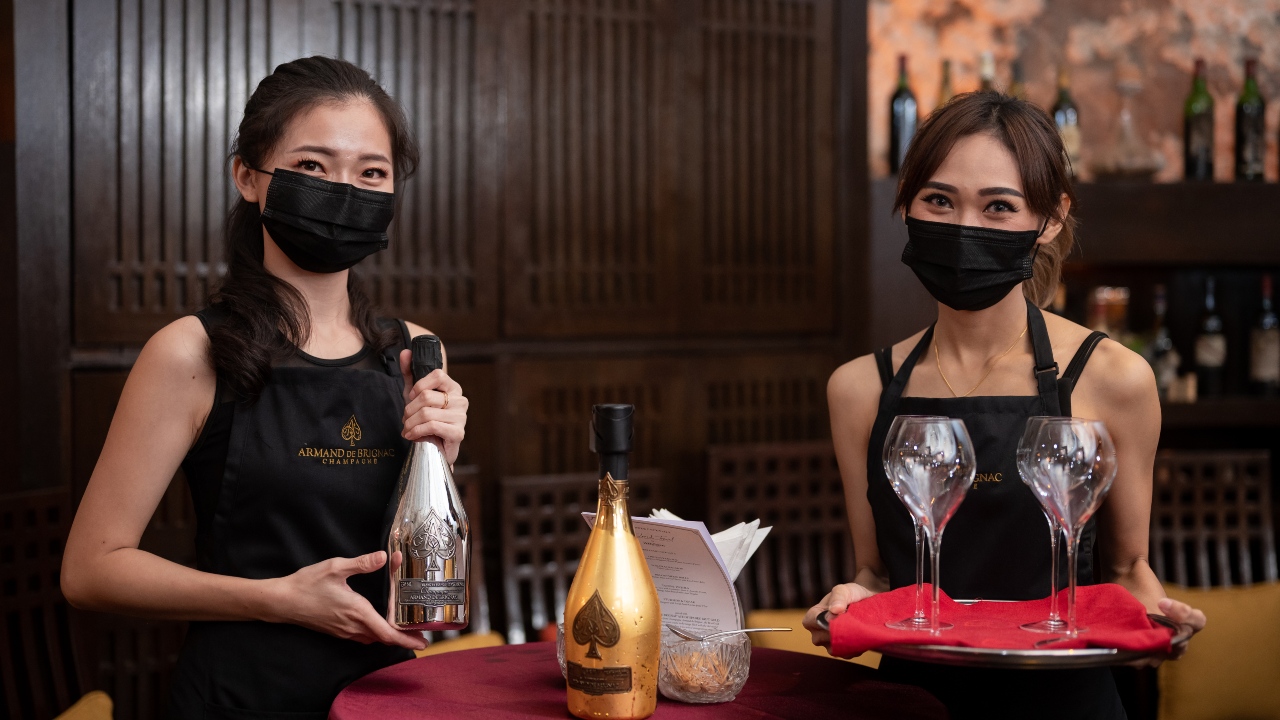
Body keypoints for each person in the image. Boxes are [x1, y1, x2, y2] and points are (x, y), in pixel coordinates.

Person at [60, 57, 468, 719]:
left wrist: (438, 463)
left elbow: (422, 567)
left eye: (371, 172)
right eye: (312, 166)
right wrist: (277, 599)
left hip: (386, 696)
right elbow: (90, 570)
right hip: (241, 697)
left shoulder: (415, 351)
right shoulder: (190, 351)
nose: (344, 190)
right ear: (247, 177)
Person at [802, 91, 1206, 719]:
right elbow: (877, 577)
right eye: (939, 200)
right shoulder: (859, 388)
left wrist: (1156, 622)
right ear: (906, 203)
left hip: (1066, 706)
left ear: (1050, 218)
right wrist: (847, 603)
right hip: (911, 705)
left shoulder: (1114, 378)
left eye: (998, 207)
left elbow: (1128, 570)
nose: (964, 227)